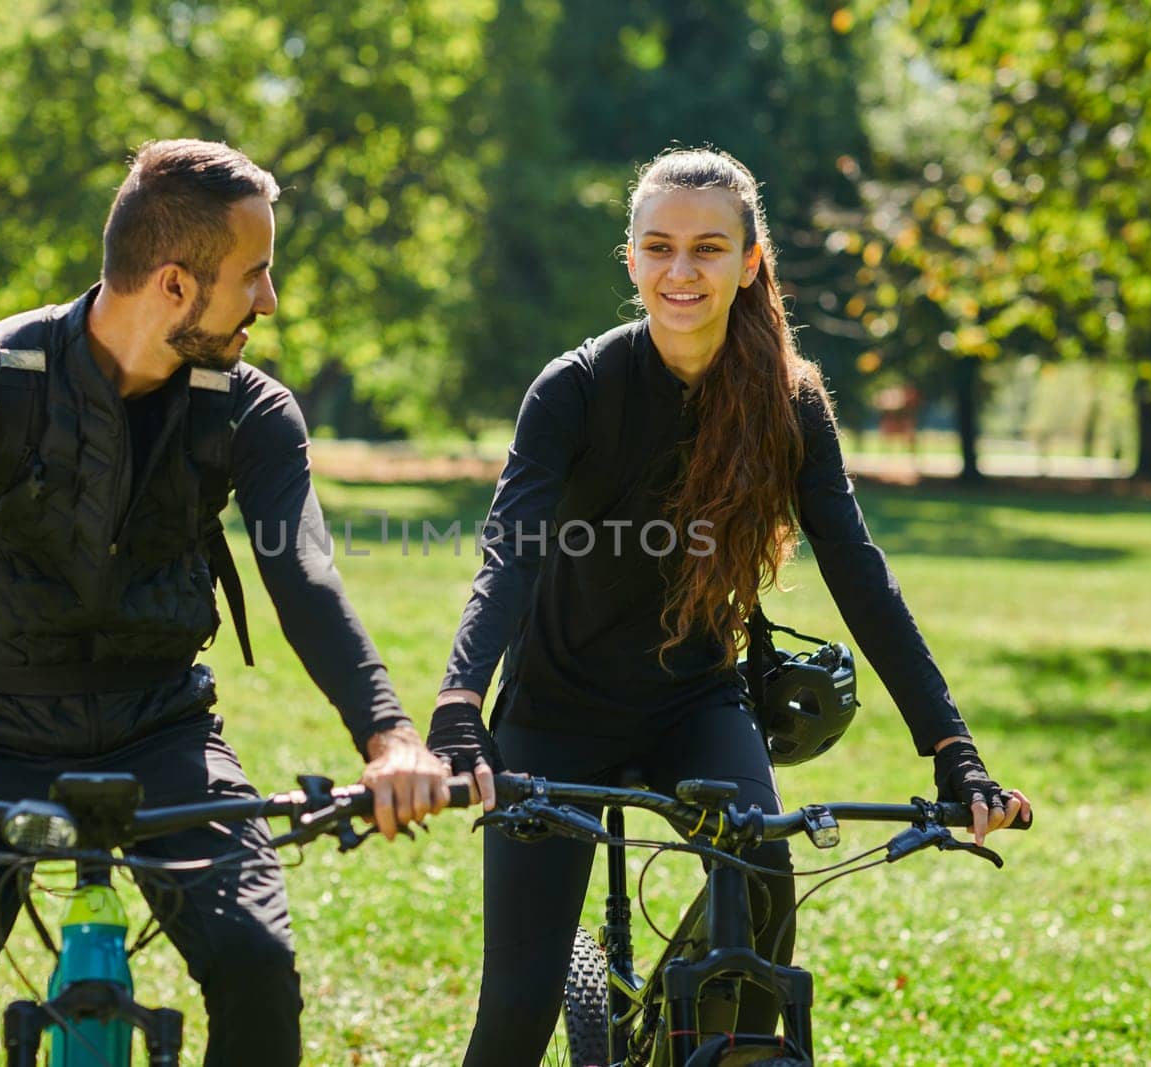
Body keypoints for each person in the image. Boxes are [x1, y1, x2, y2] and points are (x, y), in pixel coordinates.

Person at [0, 139, 452, 1067]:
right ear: (176, 285)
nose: (270, 302)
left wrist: (389, 736)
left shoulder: (252, 410)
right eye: (256, 275)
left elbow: (302, 577)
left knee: (258, 966)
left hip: (163, 728)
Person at [424, 147, 1033, 1066]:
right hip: (555, 709)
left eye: (708, 249)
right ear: (630, 259)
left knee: (757, 932)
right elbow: (509, 552)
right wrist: (460, 705)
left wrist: (955, 750)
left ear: (750, 262)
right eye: (660, 247)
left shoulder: (790, 403)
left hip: (694, 705)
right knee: (515, 1015)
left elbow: (859, 572)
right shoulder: (574, 389)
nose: (682, 271)